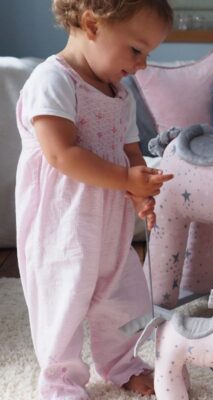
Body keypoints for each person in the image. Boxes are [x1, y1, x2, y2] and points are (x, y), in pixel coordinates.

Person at [15, 0, 174, 398]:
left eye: (148, 54)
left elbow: (131, 152)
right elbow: (61, 154)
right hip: (60, 227)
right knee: (62, 303)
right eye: (136, 50)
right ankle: (60, 380)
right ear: (91, 25)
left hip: (110, 228)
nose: (142, 65)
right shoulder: (53, 80)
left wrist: (139, 191)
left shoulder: (121, 95)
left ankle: (124, 363)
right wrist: (124, 178)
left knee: (126, 299)